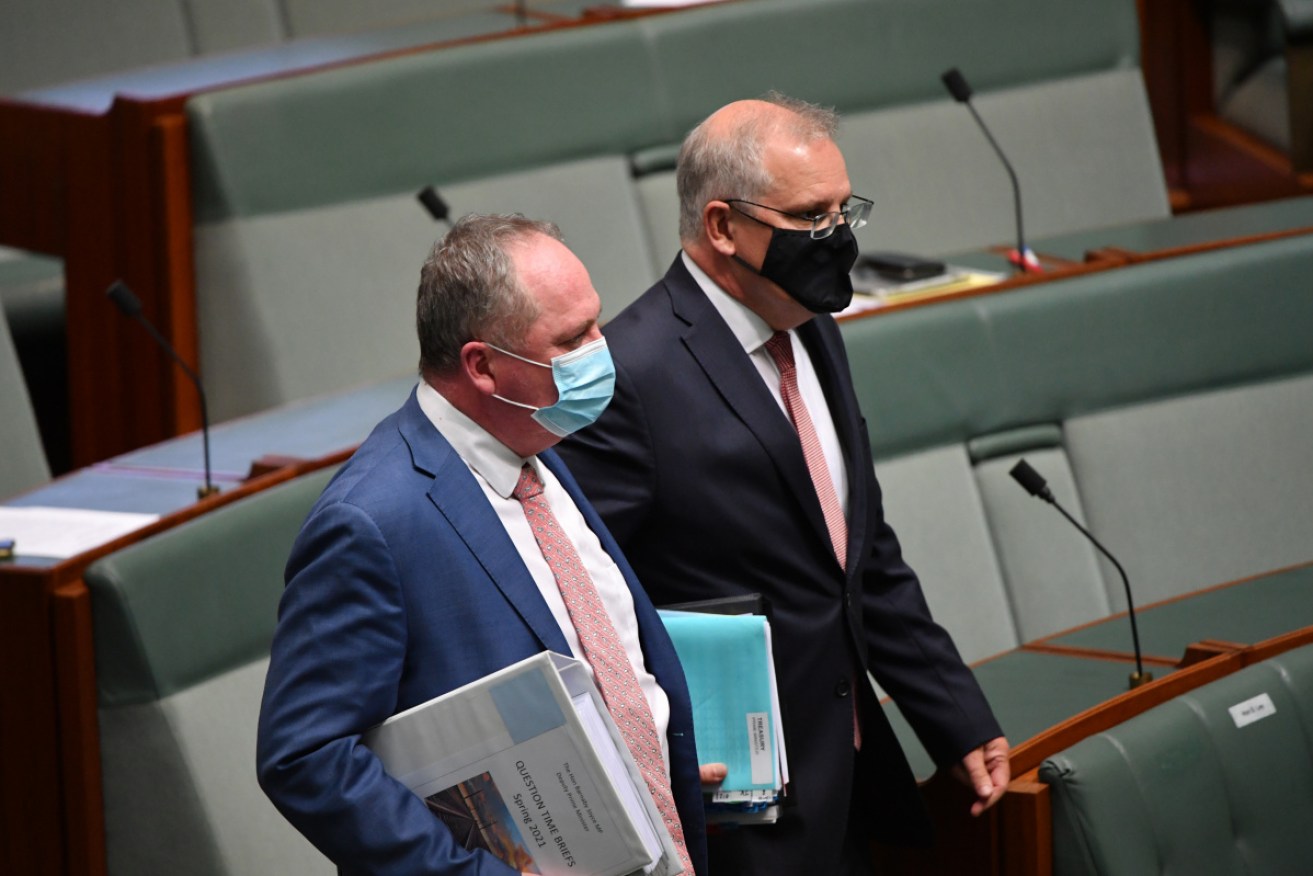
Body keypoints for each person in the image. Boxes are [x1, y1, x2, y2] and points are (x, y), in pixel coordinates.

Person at [556, 94, 1009, 874]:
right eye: (810, 217)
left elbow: (855, 554)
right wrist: (649, 765)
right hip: (738, 815)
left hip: (852, 779)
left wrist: (954, 715)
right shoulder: (631, 376)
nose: (837, 240)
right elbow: (583, 607)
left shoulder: (811, 326)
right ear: (723, 227)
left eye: (844, 210)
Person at [257, 214, 712, 875]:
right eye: (571, 339)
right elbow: (305, 757)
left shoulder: (538, 445)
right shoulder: (372, 522)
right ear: (483, 367)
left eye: (595, 323)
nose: (601, 350)